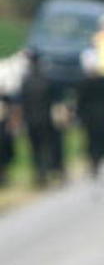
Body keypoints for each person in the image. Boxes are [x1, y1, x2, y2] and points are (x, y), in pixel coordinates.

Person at [15, 49, 65, 187]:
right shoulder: (48, 79)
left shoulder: (25, 82)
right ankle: (51, 170)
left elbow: (20, 103)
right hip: (46, 119)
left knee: (35, 148)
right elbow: (57, 101)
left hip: (32, 120)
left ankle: (40, 174)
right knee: (49, 145)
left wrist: (19, 121)